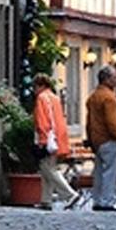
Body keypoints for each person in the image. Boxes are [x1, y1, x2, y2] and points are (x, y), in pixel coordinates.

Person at [32, 73, 76, 209]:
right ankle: (46, 200)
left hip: (48, 139)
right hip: (58, 138)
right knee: (46, 168)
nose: (34, 90)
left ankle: (70, 194)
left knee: (48, 169)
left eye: (35, 87)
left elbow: (42, 121)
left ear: (39, 86)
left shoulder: (42, 98)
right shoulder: (54, 98)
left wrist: (42, 139)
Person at [85, 64, 116, 211]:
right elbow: (112, 122)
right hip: (109, 139)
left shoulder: (93, 97)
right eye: (114, 78)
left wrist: (90, 138)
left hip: (97, 140)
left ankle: (97, 200)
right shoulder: (109, 98)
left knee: (99, 173)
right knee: (110, 172)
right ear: (106, 79)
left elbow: (89, 121)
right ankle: (106, 201)